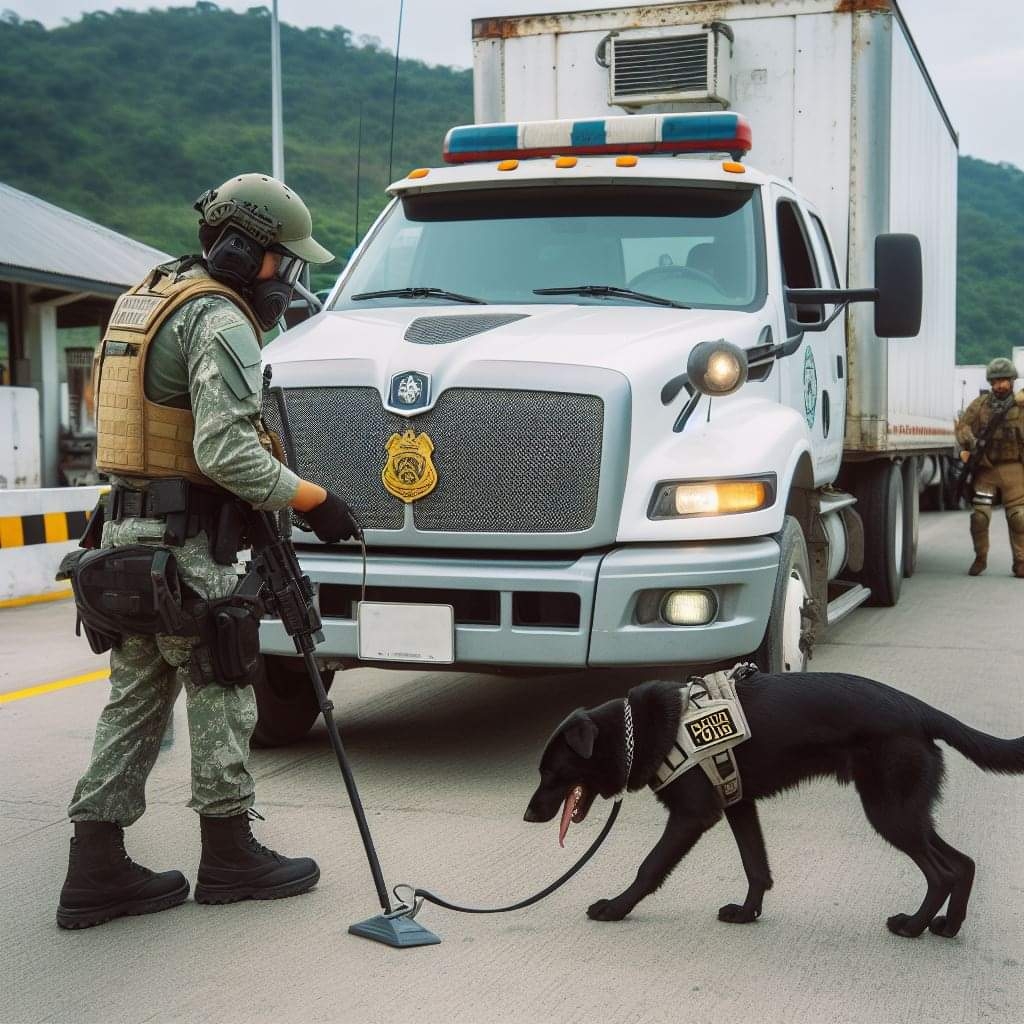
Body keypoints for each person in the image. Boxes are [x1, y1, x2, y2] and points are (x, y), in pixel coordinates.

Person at [57, 173, 360, 929]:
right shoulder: (218, 319)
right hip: (187, 543)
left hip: (123, 538)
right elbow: (227, 453)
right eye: (283, 262)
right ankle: (229, 855)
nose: (288, 280)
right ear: (239, 249)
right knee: (223, 679)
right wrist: (315, 500)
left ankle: (95, 868)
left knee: (133, 700)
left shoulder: (149, 295)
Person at [954, 356, 1024, 577]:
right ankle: (980, 557)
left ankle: (1021, 562)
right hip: (986, 469)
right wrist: (970, 441)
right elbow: (963, 426)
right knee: (979, 516)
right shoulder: (980, 405)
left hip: (1014, 468)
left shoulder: (1021, 406)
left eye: (1004, 380)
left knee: (1019, 518)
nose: (999, 385)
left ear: (1012, 381)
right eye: (995, 381)